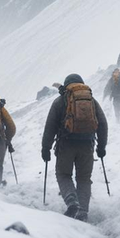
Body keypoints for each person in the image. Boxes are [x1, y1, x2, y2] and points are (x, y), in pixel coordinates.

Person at [41, 73, 108, 221]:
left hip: (66, 144)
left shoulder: (59, 102)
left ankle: (72, 202)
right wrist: (101, 147)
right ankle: (82, 211)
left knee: (63, 175)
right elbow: (102, 124)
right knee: (84, 178)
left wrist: (45, 148)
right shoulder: (91, 101)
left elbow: (50, 127)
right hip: (87, 145)